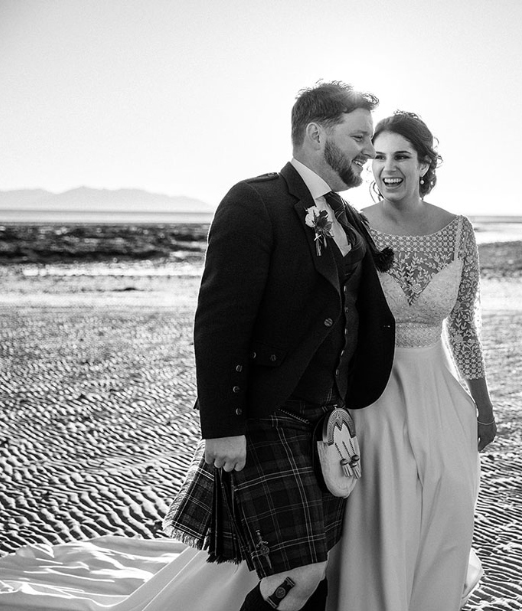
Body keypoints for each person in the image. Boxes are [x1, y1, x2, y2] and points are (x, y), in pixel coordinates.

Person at [163, 81, 396, 611]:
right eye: (359, 135)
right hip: (269, 415)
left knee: (319, 568)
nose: (369, 150)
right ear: (316, 134)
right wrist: (223, 426)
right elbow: (220, 321)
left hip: (328, 419)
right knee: (301, 576)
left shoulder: (344, 213)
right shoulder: (255, 201)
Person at [326, 111, 498, 611]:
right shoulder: (352, 225)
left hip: (441, 397)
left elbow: (464, 326)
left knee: (448, 510)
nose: (387, 167)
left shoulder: (457, 230)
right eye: (378, 157)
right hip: (373, 400)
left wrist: (483, 406)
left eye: (401, 156)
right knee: (385, 519)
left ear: (425, 164)